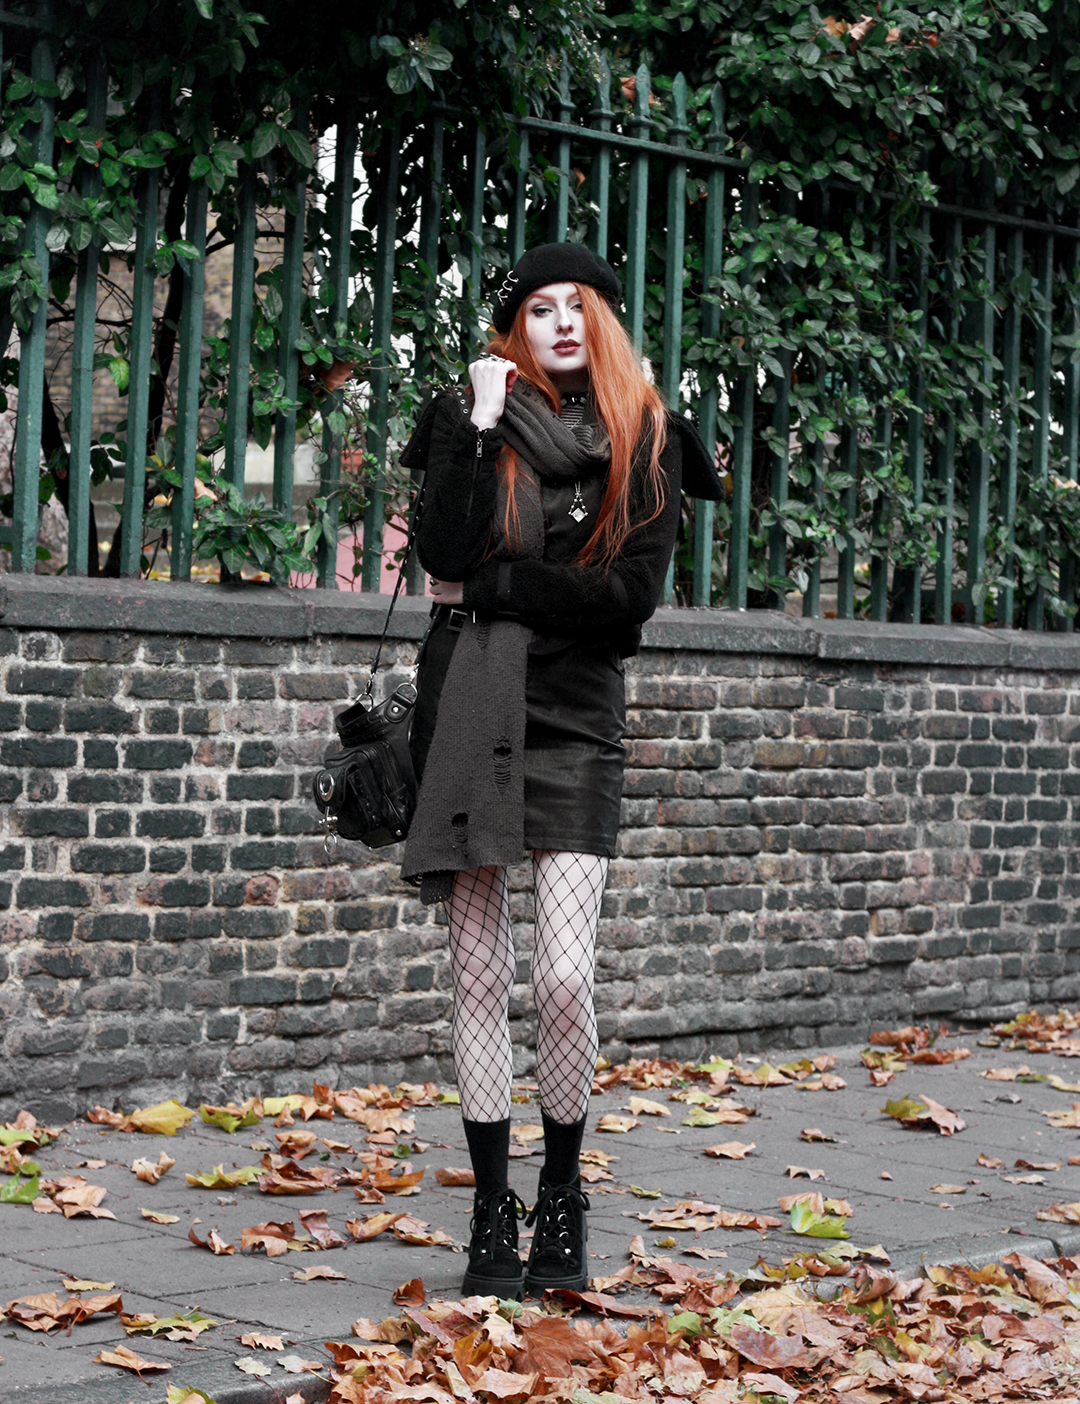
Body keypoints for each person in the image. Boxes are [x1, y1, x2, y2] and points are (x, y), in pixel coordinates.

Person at [397, 242, 722, 1300]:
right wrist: (479, 431)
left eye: (581, 306)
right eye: (541, 309)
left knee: (565, 978)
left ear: (609, 322)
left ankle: (566, 1188)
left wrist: (499, 587)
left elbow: (627, 603)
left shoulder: (649, 437)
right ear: (513, 331)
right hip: (471, 702)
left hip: (577, 714)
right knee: (479, 973)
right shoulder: (466, 418)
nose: (564, 323)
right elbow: (443, 555)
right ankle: (494, 1205)